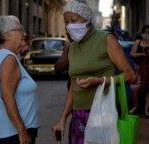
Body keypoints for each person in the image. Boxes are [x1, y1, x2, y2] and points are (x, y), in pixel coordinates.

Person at [51, 0, 136, 143]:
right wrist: (62, 119)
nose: (69, 25)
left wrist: (101, 81)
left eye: (74, 20)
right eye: (66, 22)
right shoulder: (72, 47)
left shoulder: (106, 39)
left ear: (87, 20)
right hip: (79, 115)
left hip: (104, 114)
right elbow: (74, 86)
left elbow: (131, 76)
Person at [0, 15, 39, 144]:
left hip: (8, 134)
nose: (24, 33)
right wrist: (22, 130)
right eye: (19, 29)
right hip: (13, 135)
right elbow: (7, 96)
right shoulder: (8, 58)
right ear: (7, 35)